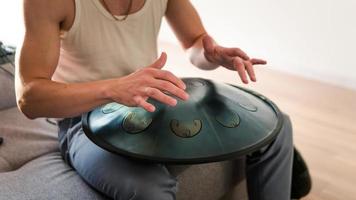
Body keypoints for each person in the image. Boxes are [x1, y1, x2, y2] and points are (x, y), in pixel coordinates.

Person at [15, 0, 294, 199]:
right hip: (85, 123)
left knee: (276, 126)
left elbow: (195, 43)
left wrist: (211, 55)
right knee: (150, 189)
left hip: (153, 109)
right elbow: (30, 98)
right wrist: (114, 88)